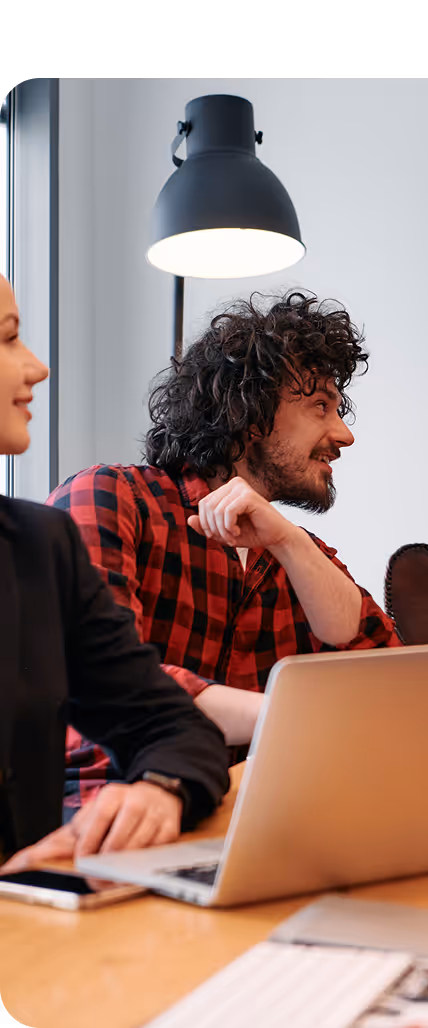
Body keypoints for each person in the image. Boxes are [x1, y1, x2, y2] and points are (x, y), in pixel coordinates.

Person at [50, 291, 399, 815]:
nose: (343, 434)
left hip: (245, 818)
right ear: (250, 414)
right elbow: (105, 678)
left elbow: (391, 682)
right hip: (103, 812)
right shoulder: (110, 498)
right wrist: (293, 716)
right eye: (320, 406)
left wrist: (288, 541)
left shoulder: (294, 550)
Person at [0, 275, 228, 872]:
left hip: (37, 936)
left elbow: (171, 727)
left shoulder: (37, 547)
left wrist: (158, 791)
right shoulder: (104, 497)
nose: (37, 367)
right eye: (8, 339)